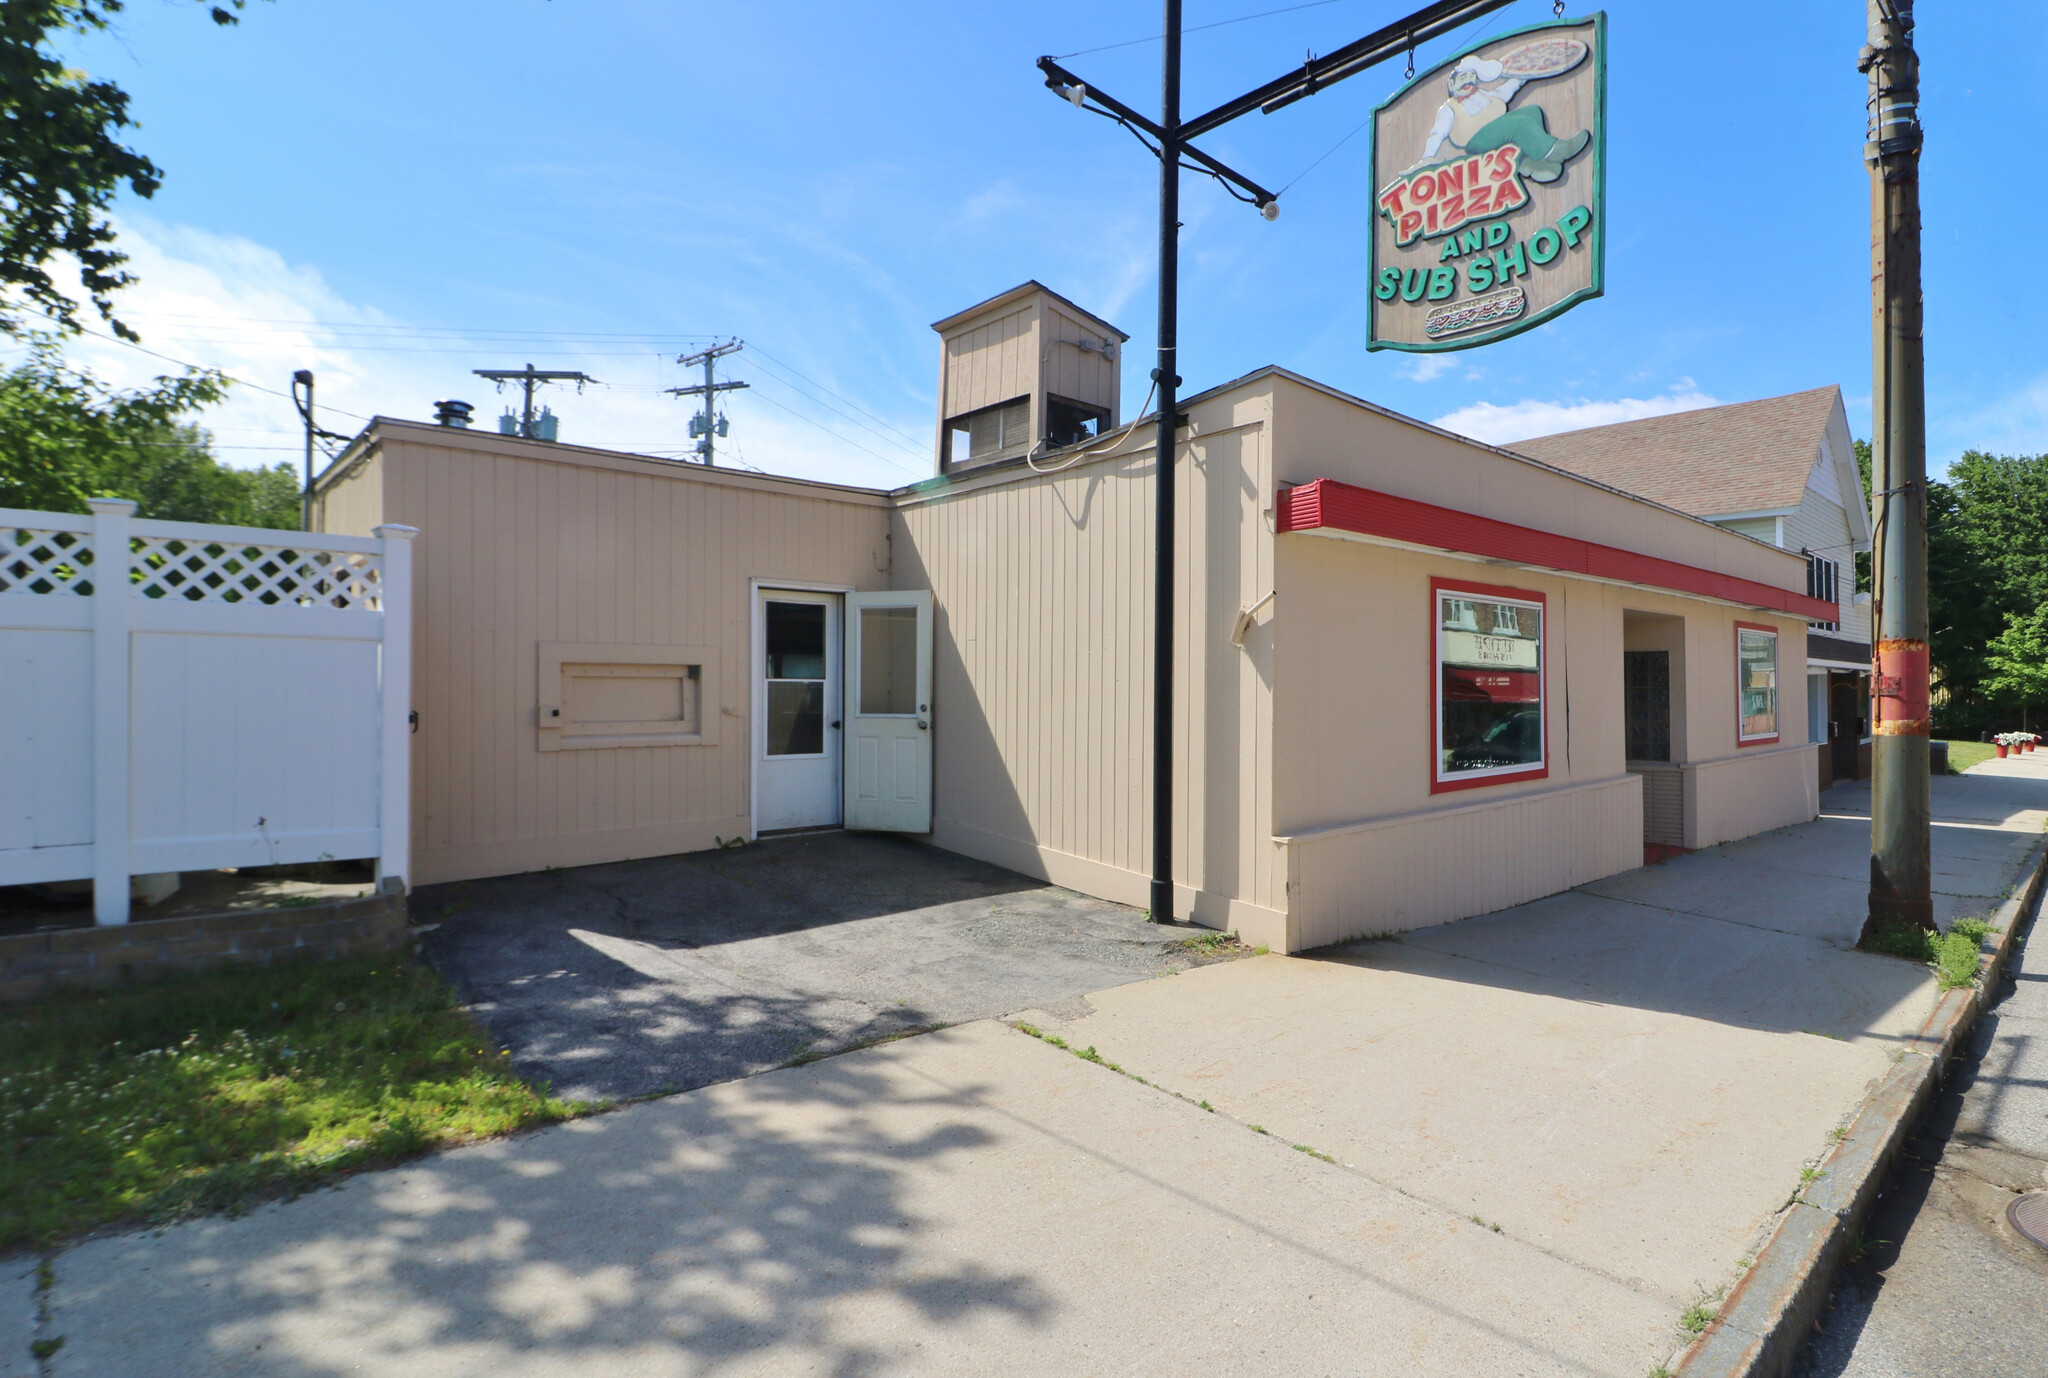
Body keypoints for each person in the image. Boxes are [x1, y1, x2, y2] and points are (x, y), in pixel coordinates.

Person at [1413, 51, 1590, 183]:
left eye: (1472, 77)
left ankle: (1533, 164)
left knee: (1532, 112)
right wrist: (1428, 157)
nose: (1468, 81)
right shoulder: (1449, 109)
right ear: (1451, 84)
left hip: (1496, 133)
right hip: (1477, 142)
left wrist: (1526, 73)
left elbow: (1508, 88)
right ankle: (1554, 150)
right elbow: (1438, 133)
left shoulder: (1485, 96)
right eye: (1463, 78)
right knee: (1520, 124)